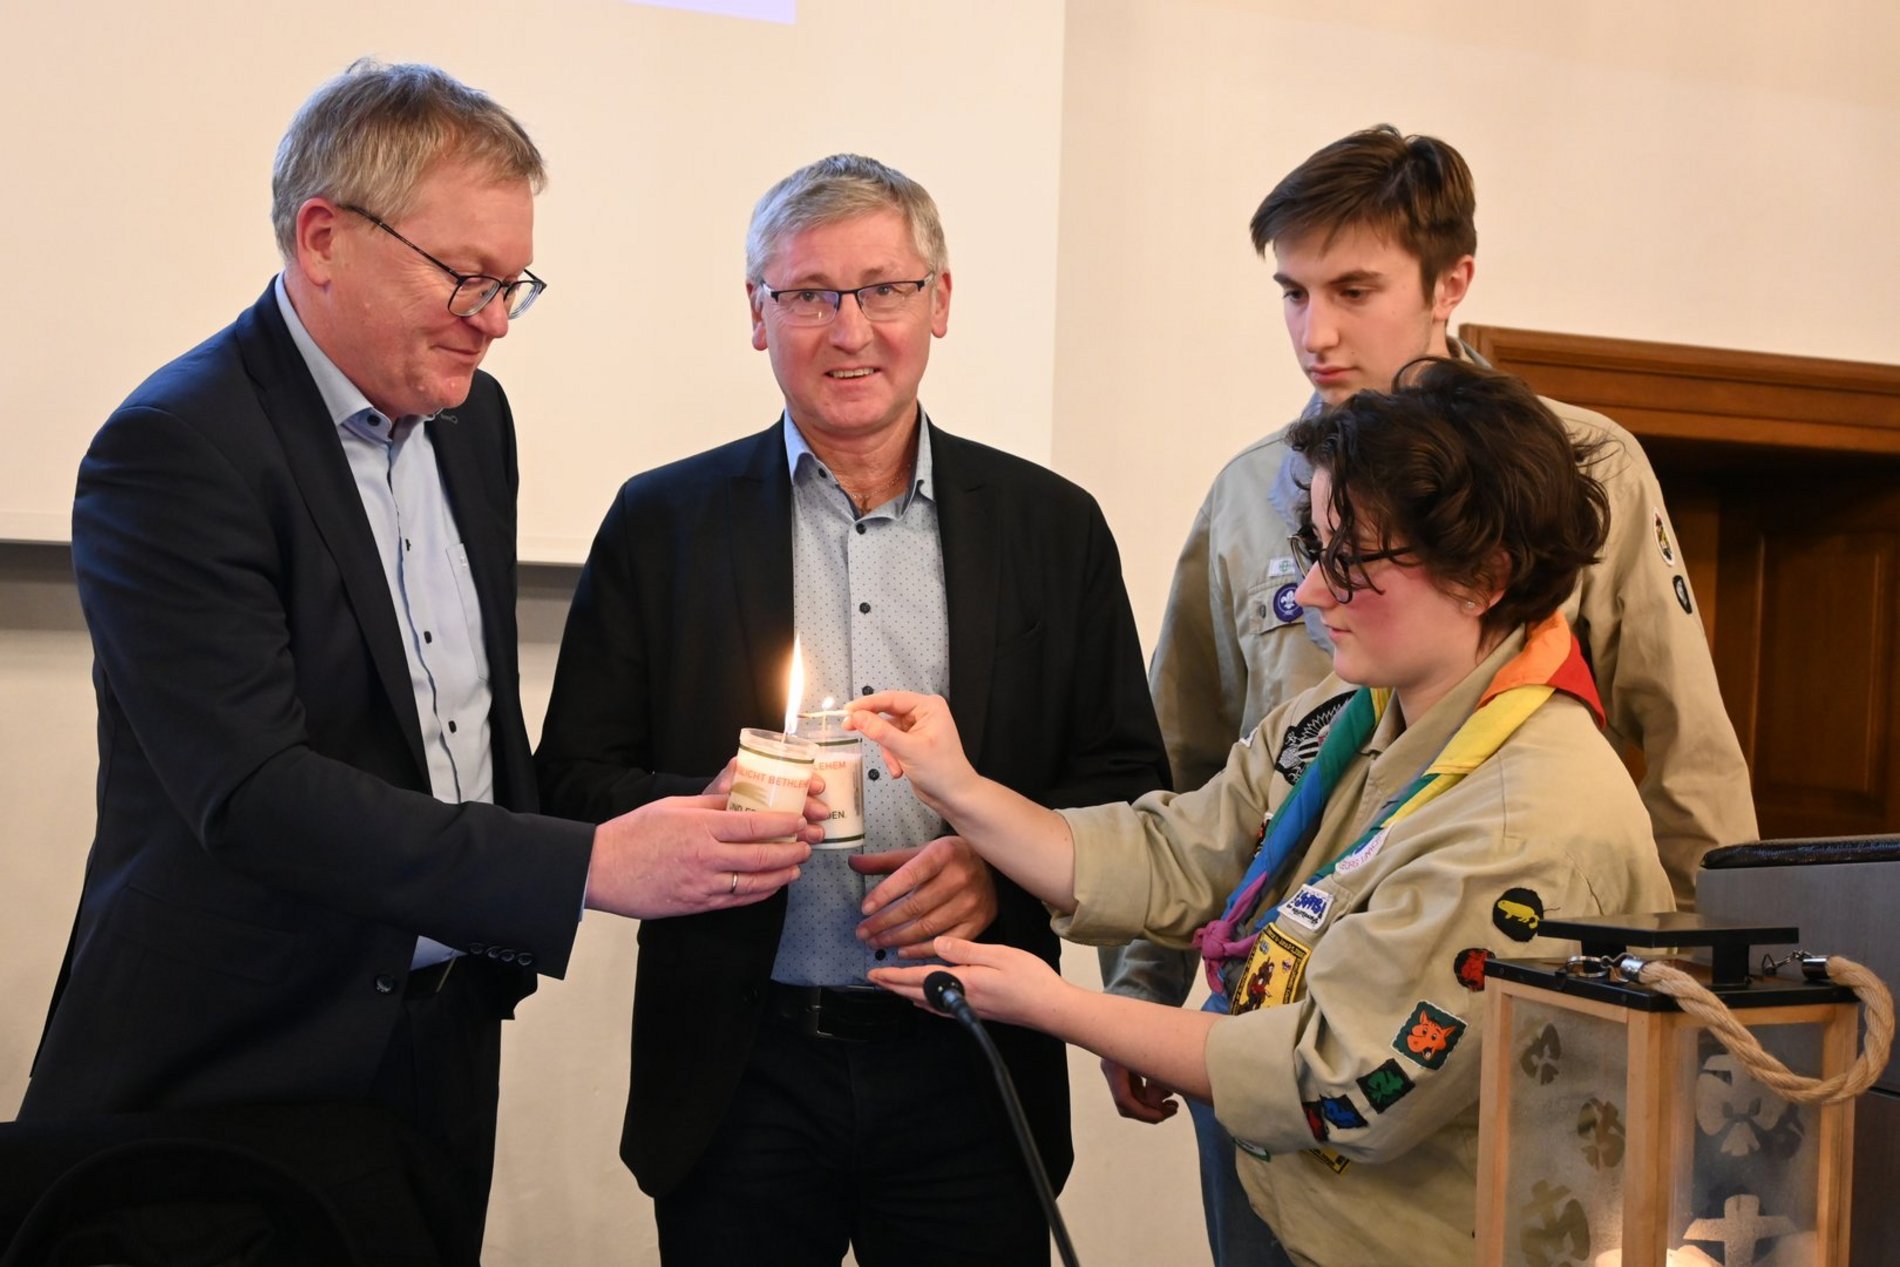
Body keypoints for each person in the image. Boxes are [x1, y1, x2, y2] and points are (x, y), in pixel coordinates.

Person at [19, 60, 817, 1253]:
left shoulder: (467, 417)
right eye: (466, 278)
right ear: (324, 237)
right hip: (238, 1069)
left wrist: (676, 816)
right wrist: (587, 865)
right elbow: (254, 794)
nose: (495, 321)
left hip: (437, 1047)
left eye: (513, 285)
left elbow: (457, 733)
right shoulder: (176, 449)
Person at [1099, 124, 1758, 1264]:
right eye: (1291, 293)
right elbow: (1192, 749)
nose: (1317, 331)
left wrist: (1710, 1027)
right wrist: (1144, 986)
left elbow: (1688, 760)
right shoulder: (1253, 491)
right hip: (1265, 1028)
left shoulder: (1580, 465)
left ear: (1451, 280)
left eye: (1353, 288)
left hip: (1473, 1040)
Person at [856, 357, 1677, 1267]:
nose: (1313, 594)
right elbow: (1181, 853)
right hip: (1294, 1210)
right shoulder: (1353, 710)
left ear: (1485, 576)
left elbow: (1336, 1079)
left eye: (1351, 561)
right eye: (1314, 548)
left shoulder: (1529, 819)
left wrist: (1052, 1003)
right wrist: (957, 787)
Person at [534, 153, 1169, 1266]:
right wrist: (705, 815)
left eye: (883, 290)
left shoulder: (1050, 526)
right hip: (742, 1070)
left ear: (939, 302)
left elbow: (1126, 778)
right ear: (755, 313)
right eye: (809, 295)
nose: (850, 330)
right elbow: (573, 774)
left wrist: (1001, 858)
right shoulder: (661, 522)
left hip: (971, 1053)